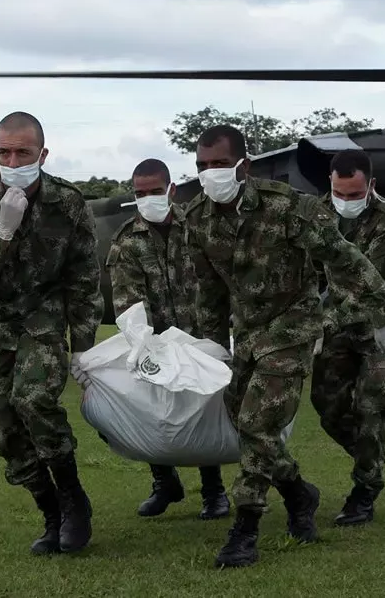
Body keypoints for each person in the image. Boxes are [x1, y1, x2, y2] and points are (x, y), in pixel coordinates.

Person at [184, 124, 385, 569]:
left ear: (243, 165)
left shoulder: (289, 208)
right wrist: (212, 342)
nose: (211, 174)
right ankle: (299, 494)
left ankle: (245, 528)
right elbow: (208, 288)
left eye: (220, 165)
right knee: (244, 424)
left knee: (257, 421)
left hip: (294, 326)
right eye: (203, 166)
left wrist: (376, 315)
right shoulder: (196, 218)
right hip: (246, 334)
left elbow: (345, 260)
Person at [0, 111, 103, 554]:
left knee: (33, 399)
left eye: (23, 152)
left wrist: (83, 348)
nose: (13, 160)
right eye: (4, 152)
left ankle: (73, 501)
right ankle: (50, 514)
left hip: (42, 318)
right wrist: (3, 230)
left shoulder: (66, 202)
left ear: (42, 154)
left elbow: (83, 280)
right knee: (3, 428)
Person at [104, 158, 230, 521]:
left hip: (202, 339)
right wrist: (147, 345)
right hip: (154, 345)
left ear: (171, 190)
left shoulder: (199, 227)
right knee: (150, 412)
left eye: (155, 191)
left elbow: (222, 279)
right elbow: (127, 302)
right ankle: (164, 482)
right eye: (140, 193)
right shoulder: (127, 240)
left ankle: (214, 492)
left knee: (204, 412)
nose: (148, 199)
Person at [311, 150, 385, 526]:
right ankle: (370, 456)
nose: (347, 201)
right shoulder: (316, 216)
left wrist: (322, 322)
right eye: (340, 193)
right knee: (327, 407)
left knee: (375, 406)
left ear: (371, 186)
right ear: (330, 183)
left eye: (355, 194)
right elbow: (311, 274)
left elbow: (367, 281)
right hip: (340, 321)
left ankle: (365, 489)